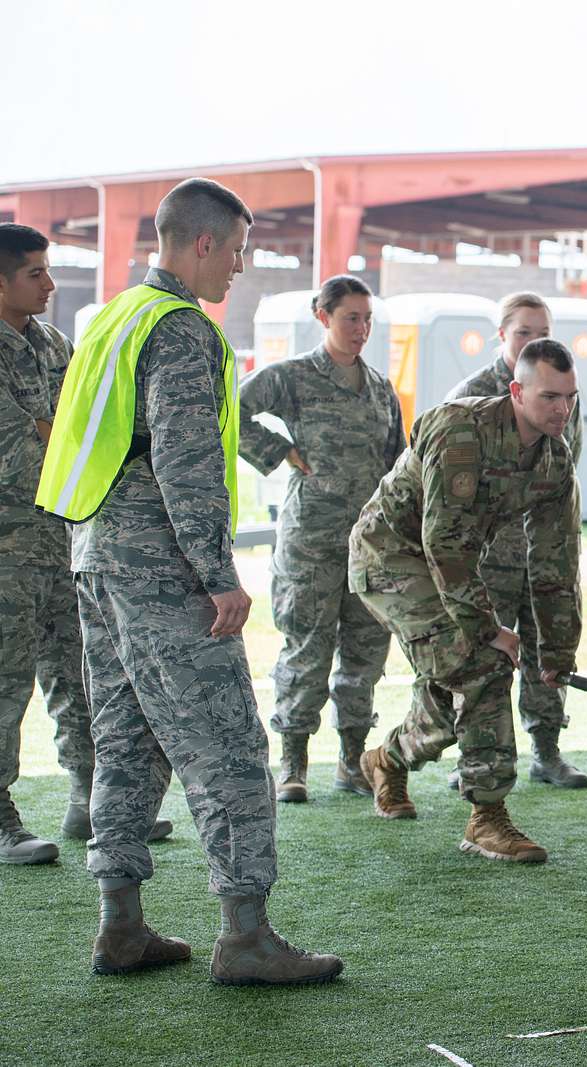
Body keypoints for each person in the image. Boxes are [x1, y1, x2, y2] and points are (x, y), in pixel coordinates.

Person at [36, 178, 341, 984]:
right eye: (238, 251)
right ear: (202, 243)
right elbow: (186, 459)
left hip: (97, 555)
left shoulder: (111, 316)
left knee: (126, 738)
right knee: (231, 747)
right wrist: (217, 574)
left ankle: (121, 925)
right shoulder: (178, 329)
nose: (240, 267)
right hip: (161, 565)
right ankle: (246, 936)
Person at [352, 339, 582, 865]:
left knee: (455, 672)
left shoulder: (553, 460)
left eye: (570, 398)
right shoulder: (461, 431)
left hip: (446, 565)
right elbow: (443, 543)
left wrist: (557, 652)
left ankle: (387, 758)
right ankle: (487, 815)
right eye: (550, 397)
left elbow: (556, 563)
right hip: (389, 558)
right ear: (516, 390)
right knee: (481, 663)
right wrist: (488, 629)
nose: (562, 410)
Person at [0, 224, 172, 864]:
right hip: (7, 552)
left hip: (66, 541)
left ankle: (90, 801)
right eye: (35, 274)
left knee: (81, 680)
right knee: (5, 684)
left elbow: (85, 431)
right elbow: (23, 448)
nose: (49, 284)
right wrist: (59, 435)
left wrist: (60, 435)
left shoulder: (52, 344)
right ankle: (1, 819)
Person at [238, 275, 404, 803]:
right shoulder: (293, 378)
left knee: (364, 654)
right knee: (306, 650)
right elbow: (231, 412)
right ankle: (292, 763)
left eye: (367, 319)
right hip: (310, 540)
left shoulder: (379, 387)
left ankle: (352, 761)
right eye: (350, 318)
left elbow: (397, 462)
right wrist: (280, 451)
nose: (361, 329)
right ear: (323, 317)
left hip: (369, 544)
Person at [442, 292, 587, 789]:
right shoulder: (472, 395)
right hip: (489, 556)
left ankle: (547, 751)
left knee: (549, 645)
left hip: (541, 546)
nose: (535, 339)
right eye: (525, 331)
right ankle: (474, 758)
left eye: (543, 331)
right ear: (502, 335)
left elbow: (567, 463)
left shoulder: (561, 391)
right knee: (483, 654)